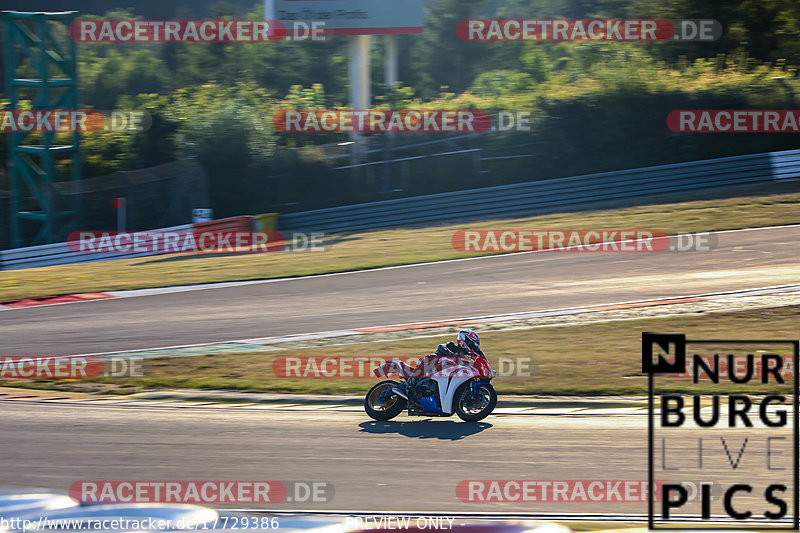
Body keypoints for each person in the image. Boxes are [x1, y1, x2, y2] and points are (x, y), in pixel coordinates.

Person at [392, 330, 484, 401]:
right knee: (431, 358)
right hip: (434, 366)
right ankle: (411, 383)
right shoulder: (452, 346)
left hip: (444, 375)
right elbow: (441, 347)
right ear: (465, 341)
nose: (473, 346)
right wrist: (453, 355)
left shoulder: (467, 356)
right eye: (472, 343)